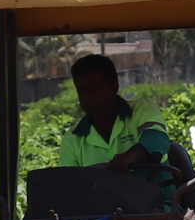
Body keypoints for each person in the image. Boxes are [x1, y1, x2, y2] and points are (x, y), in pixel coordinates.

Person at [52, 53, 184, 210]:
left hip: (158, 207)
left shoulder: (142, 112)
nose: (88, 97)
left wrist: (129, 157)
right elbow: (68, 185)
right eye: (82, 91)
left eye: (94, 89)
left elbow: (157, 138)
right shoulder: (73, 138)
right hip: (101, 215)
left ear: (113, 88)